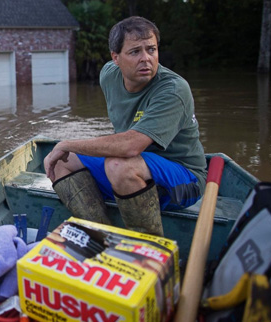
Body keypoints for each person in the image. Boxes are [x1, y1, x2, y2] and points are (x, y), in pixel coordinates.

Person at [44, 16, 207, 236]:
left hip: (183, 182)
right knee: (58, 162)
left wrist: (67, 143)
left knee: (119, 165)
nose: (146, 59)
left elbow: (131, 146)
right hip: (135, 169)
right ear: (116, 58)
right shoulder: (108, 76)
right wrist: (67, 149)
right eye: (135, 52)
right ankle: (101, 237)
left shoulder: (173, 90)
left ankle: (148, 247)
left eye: (151, 49)